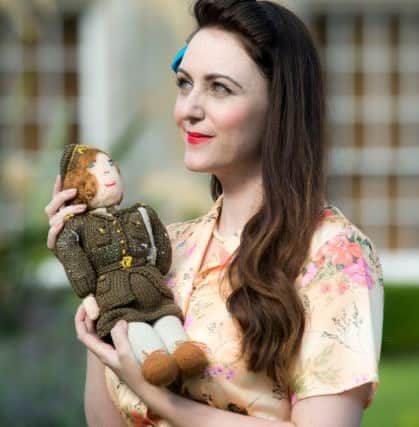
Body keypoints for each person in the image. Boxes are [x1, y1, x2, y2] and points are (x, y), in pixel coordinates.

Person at [44, 1, 384, 426]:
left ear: (280, 105)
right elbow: (106, 420)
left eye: (219, 88)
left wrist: (164, 400)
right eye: (184, 84)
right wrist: (97, 277)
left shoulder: (334, 254)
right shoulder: (169, 247)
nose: (188, 109)